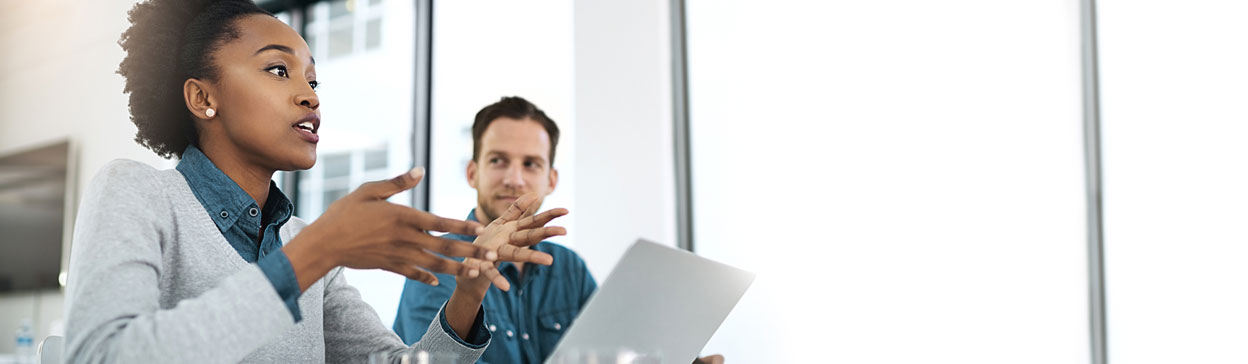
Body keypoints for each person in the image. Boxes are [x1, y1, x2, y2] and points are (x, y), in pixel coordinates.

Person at [63, 1, 564, 362]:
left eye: (313, 80)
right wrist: (315, 254)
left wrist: (469, 294)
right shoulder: (138, 193)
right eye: (279, 70)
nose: (310, 96)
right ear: (201, 98)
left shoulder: (304, 244)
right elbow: (102, 356)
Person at [392, 97, 723, 364]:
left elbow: (608, 354)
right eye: (498, 161)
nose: (514, 179)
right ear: (472, 173)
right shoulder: (435, 262)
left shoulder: (570, 269)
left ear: (551, 179)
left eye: (531, 164)